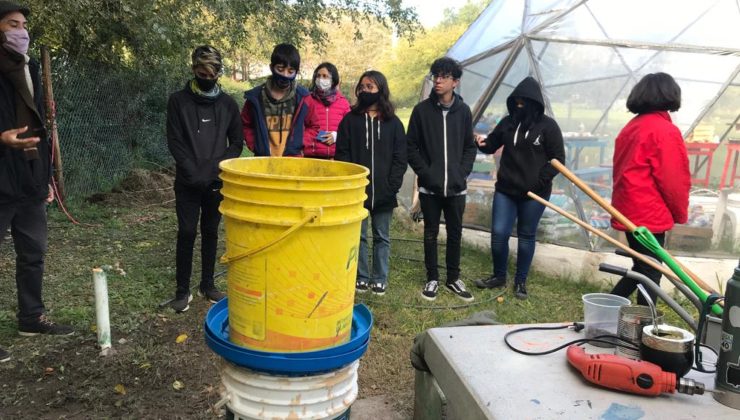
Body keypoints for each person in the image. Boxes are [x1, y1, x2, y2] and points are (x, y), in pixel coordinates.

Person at [0, 0, 73, 363]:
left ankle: (31, 318)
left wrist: (44, 177)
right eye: (13, 24)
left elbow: (39, 126)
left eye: (23, 24)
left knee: (33, 254)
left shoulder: (28, 67)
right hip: (0, 179)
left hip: (29, 180)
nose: (22, 32)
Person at [166, 45, 244, 312]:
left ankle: (207, 285)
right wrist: (190, 170)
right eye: (201, 72)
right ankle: (181, 290)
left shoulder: (228, 104)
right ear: (193, 70)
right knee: (187, 232)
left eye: (211, 73)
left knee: (211, 231)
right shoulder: (178, 101)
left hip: (215, 181)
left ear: (218, 72)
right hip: (187, 181)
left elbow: (237, 142)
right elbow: (174, 141)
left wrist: (218, 168)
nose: (206, 76)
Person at [473, 77, 565, 300]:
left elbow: (558, 160)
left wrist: (538, 182)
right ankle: (498, 276)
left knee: (526, 236)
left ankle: (521, 281)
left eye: (524, 101)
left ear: (535, 102)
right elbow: (492, 143)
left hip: (534, 194)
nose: (519, 104)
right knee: (499, 234)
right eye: (516, 101)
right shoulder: (508, 122)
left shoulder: (548, 126)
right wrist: (481, 144)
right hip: (506, 190)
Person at [607, 72, 689, 306]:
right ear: (669, 95)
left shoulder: (632, 127)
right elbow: (673, 180)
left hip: (629, 210)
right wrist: (680, 213)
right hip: (648, 214)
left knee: (642, 268)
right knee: (650, 273)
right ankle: (644, 328)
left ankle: (604, 309)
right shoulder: (663, 131)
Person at [407, 57, 477, 302]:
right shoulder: (422, 111)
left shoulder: (463, 111)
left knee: (455, 233)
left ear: (455, 82)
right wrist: (425, 173)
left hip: (456, 188)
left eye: (444, 76)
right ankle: (432, 278)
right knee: (430, 233)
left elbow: (470, 146)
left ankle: (453, 278)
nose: (438, 80)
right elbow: (411, 146)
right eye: (436, 75)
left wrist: (462, 171)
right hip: (430, 187)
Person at [335, 70, 407, 295]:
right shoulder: (350, 120)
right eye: (363, 86)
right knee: (359, 235)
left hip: (385, 191)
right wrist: (352, 183)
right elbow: (342, 154)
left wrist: (392, 185)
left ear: (381, 91)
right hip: (357, 191)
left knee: (382, 236)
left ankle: (379, 277)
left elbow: (400, 157)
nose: (366, 90)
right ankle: (362, 275)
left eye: (371, 87)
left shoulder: (393, 123)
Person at [241, 43, 309, 156]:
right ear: (271, 67)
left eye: (290, 72)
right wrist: (256, 145)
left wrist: (300, 144)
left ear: (296, 72)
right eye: (280, 69)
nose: (285, 75)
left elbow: (314, 125)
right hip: (264, 163)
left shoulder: (304, 98)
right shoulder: (256, 98)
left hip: (294, 164)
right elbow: (245, 124)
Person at [303, 62, 350, 159]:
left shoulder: (343, 103)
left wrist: (336, 136)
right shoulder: (308, 100)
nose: (321, 79)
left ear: (333, 80)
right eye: (318, 76)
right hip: (310, 156)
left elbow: (350, 130)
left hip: (335, 158)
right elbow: (299, 127)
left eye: (325, 76)